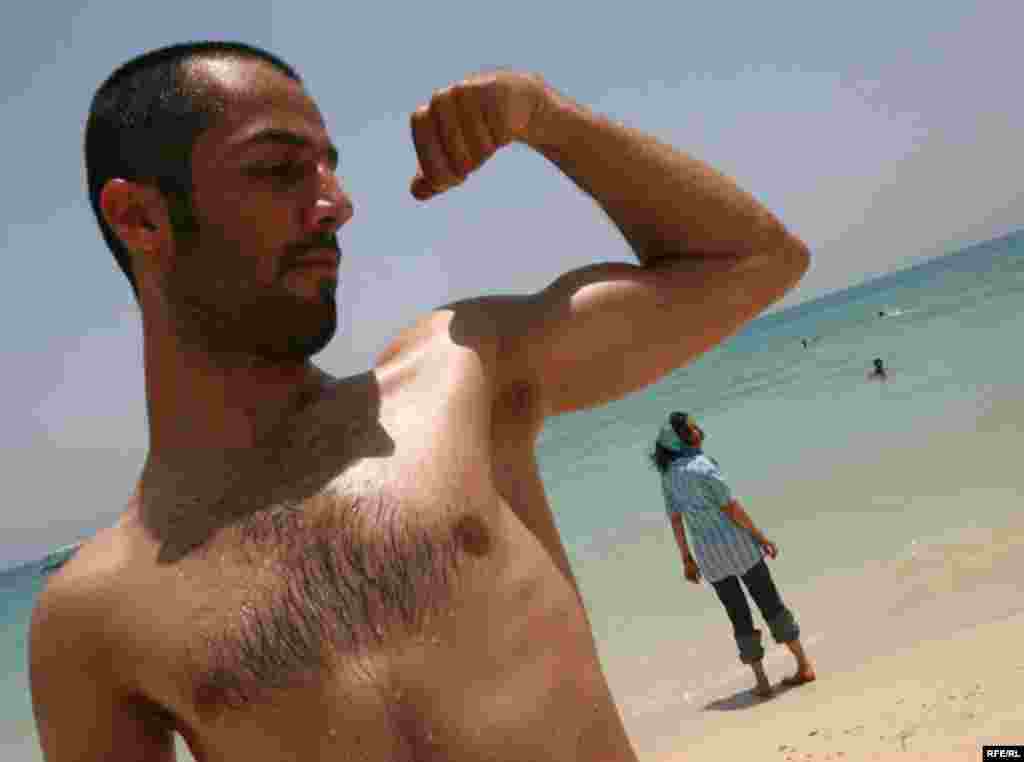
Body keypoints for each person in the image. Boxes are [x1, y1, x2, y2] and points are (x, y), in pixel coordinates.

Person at [28, 41, 809, 761]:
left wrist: (550, 119)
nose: (335, 204)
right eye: (277, 170)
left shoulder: (461, 373)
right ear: (139, 217)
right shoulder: (92, 617)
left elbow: (754, 262)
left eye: (328, 168)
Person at [652, 412, 815, 699]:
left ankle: (762, 682)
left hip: (710, 558)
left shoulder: (668, 478)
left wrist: (686, 559)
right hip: (739, 547)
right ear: (682, 439)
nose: (699, 430)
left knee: (738, 616)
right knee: (770, 603)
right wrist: (761, 536)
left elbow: (676, 520)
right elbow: (731, 507)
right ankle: (803, 664)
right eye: (692, 427)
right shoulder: (703, 466)